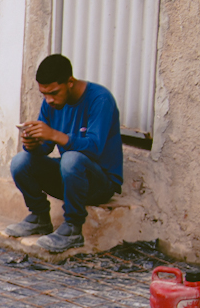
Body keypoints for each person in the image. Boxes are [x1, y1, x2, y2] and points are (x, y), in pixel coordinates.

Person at [7, 53, 123, 255]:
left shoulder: (100, 99)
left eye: (53, 92)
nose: (49, 100)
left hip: (100, 183)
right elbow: (45, 149)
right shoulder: (52, 103)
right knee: (21, 161)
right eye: (44, 94)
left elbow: (94, 147)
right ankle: (40, 218)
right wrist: (33, 144)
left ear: (70, 82)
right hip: (69, 176)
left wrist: (53, 134)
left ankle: (72, 229)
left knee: (71, 158)